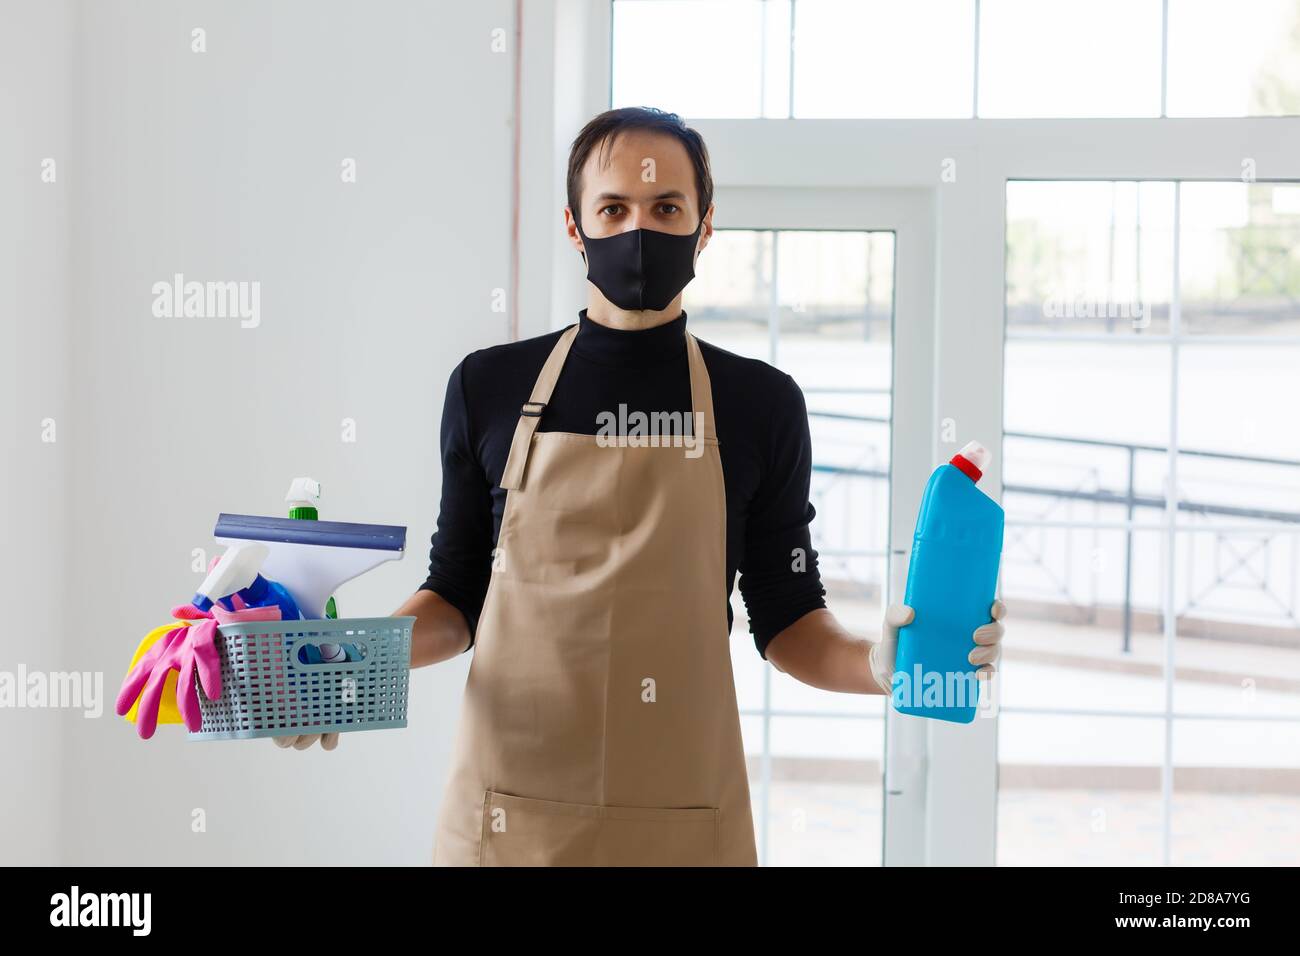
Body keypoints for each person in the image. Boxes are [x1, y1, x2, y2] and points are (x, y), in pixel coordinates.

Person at [278, 107, 1007, 868]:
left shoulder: (759, 403)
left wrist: (881, 667)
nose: (639, 232)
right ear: (574, 225)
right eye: (613, 209)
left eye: (666, 209)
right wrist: (350, 665)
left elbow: (788, 619)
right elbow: (456, 597)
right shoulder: (488, 387)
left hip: (684, 820)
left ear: (705, 225)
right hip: (507, 816)